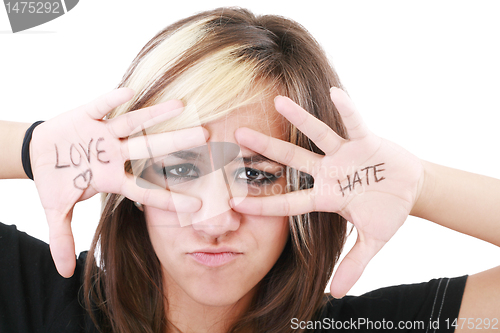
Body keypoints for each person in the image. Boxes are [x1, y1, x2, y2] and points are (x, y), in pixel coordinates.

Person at [1, 7, 499, 333]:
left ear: (312, 188)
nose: (215, 222)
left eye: (257, 175)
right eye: (178, 169)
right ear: (130, 181)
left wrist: (420, 187)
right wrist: (31, 148)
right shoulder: (35, 302)